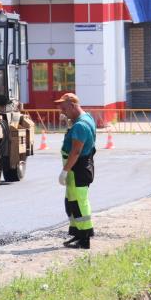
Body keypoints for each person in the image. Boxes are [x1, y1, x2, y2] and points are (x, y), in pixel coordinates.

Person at [56, 92, 96, 249]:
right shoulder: (84, 119)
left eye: (64, 109)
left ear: (72, 106)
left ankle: (84, 238)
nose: (62, 112)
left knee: (79, 203)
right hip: (76, 168)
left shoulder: (80, 125)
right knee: (71, 202)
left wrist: (65, 171)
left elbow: (76, 151)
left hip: (77, 168)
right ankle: (77, 233)